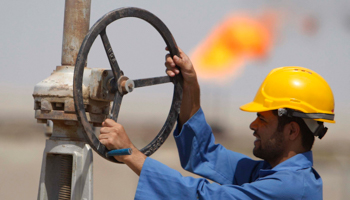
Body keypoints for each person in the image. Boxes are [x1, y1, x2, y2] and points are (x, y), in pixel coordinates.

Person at [99, 48, 335, 199]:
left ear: (292, 130)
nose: (253, 125)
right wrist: (190, 85)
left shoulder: (290, 188)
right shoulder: (268, 173)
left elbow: (207, 197)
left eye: (262, 119)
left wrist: (131, 154)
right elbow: (204, 155)